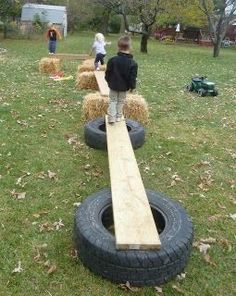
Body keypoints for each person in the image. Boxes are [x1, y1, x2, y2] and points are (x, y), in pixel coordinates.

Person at [105, 36, 138, 124]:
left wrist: (109, 82)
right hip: (124, 87)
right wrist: (132, 87)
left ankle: (111, 117)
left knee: (112, 100)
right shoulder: (133, 63)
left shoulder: (112, 60)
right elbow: (132, 77)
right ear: (130, 47)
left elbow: (107, 73)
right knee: (120, 101)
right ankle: (118, 117)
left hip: (113, 85)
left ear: (118, 47)